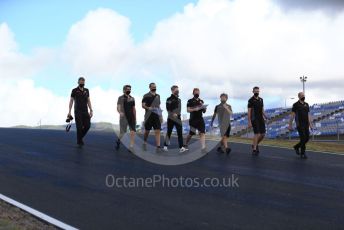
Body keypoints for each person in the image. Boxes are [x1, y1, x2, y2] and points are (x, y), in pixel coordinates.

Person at [67, 77, 93, 147]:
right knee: (79, 127)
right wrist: (69, 112)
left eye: (83, 82)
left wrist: (91, 110)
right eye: (81, 81)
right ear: (78, 82)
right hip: (77, 111)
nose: (82, 83)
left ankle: (79, 138)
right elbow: (71, 101)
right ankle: (79, 141)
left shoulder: (87, 90)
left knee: (87, 126)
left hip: (85, 111)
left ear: (84, 83)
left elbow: (88, 100)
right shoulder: (74, 90)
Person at [142, 83, 165, 153]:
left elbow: (158, 106)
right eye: (153, 87)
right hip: (148, 115)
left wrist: (161, 115)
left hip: (156, 115)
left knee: (157, 130)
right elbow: (143, 105)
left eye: (155, 87)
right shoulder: (146, 95)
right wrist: (148, 108)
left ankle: (158, 147)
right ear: (150, 87)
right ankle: (144, 142)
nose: (154, 88)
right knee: (147, 131)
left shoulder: (158, 96)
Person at [288, 92, 313, 159]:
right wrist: (290, 125)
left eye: (304, 95)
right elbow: (293, 115)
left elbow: (308, 115)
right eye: (302, 95)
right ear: (299, 97)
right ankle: (303, 153)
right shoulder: (296, 104)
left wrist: (310, 124)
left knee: (307, 138)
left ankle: (296, 147)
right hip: (299, 124)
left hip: (306, 124)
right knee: (303, 138)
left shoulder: (306, 104)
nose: (303, 96)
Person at [164, 85, 187, 153]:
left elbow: (179, 109)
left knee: (180, 132)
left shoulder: (179, 99)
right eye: (176, 89)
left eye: (178, 89)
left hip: (178, 118)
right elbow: (168, 108)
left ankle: (181, 147)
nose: (177, 91)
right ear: (172, 90)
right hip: (171, 118)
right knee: (169, 132)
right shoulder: (169, 99)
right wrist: (172, 113)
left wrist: (177, 114)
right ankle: (165, 146)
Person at [185, 88, 207, 153]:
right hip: (193, 119)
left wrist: (204, 108)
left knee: (202, 133)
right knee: (191, 133)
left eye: (198, 92)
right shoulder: (190, 101)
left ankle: (203, 147)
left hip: (200, 119)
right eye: (196, 92)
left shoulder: (201, 101)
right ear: (193, 93)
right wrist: (195, 109)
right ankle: (185, 143)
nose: (197, 93)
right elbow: (188, 110)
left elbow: (204, 111)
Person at [248, 86, 267, 155]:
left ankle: (254, 144)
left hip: (261, 119)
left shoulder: (261, 100)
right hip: (254, 119)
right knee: (257, 134)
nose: (257, 92)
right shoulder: (250, 100)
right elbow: (249, 112)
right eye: (255, 91)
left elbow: (262, 109)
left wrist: (265, 116)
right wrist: (249, 121)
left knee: (262, 134)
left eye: (258, 91)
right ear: (253, 92)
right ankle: (255, 149)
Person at [116, 85, 136, 153]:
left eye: (130, 89)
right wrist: (120, 112)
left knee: (132, 132)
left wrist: (135, 117)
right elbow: (118, 107)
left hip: (131, 118)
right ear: (124, 90)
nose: (129, 90)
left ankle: (131, 147)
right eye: (127, 89)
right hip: (123, 117)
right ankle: (119, 140)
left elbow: (134, 108)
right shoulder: (120, 98)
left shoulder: (132, 98)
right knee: (123, 133)